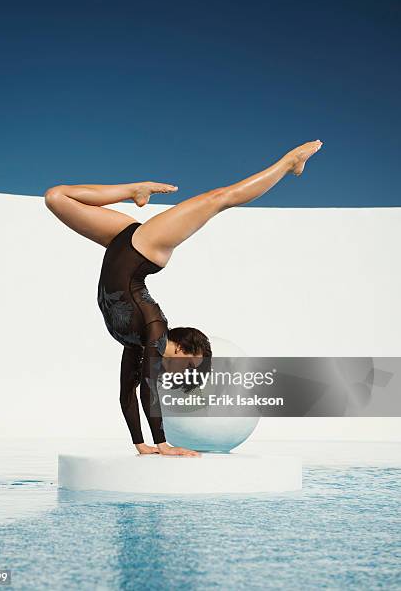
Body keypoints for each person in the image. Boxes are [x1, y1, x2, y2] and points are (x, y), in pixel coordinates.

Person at [44, 140, 323, 456]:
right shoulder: (155, 330)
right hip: (144, 247)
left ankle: (136, 191)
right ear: (185, 348)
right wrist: (163, 444)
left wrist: (142, 445)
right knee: (219, 198)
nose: (178, 372)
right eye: (187, 365)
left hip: (123, 244)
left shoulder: (136, 344)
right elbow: (149, 387)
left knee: (55, 197)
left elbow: (127, 394)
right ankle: (288, 163)